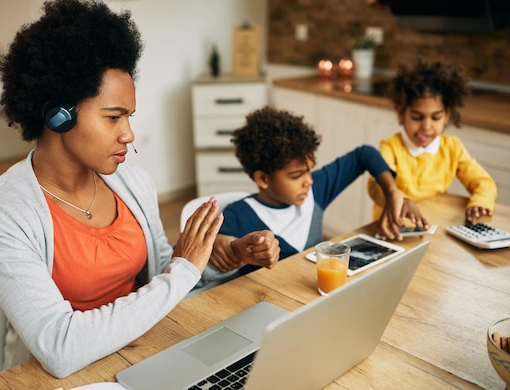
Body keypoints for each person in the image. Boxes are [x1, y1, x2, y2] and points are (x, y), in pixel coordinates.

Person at [0, 0, 223, 379]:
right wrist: (183, 270)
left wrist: (214, 261)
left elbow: (164, 273)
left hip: (143, 360)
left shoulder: (134, 184)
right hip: (58, 387)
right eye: (113, 117)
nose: (129, 134)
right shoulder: (4, 213)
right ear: (59, 115)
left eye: (129, 116)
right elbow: (59, 346)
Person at [202, 105, 412, 280]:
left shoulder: (315, 190)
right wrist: (224, 246)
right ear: (263, 179)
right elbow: (193, 256)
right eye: (296, 176)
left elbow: (364, 154)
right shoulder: (238, 216)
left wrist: (392, 192)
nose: (309, 181)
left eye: (310, 170)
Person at [367, 58, 497, 225]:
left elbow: (483, 182)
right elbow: (376, 185)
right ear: (401, 114)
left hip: (432, 226)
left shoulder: (452, 148)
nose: (426, 127)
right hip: (391, 228)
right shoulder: (391, 147)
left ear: (447, 116)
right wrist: (401, 201)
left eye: (436, 117)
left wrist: (480, 202)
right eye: (417, 117)